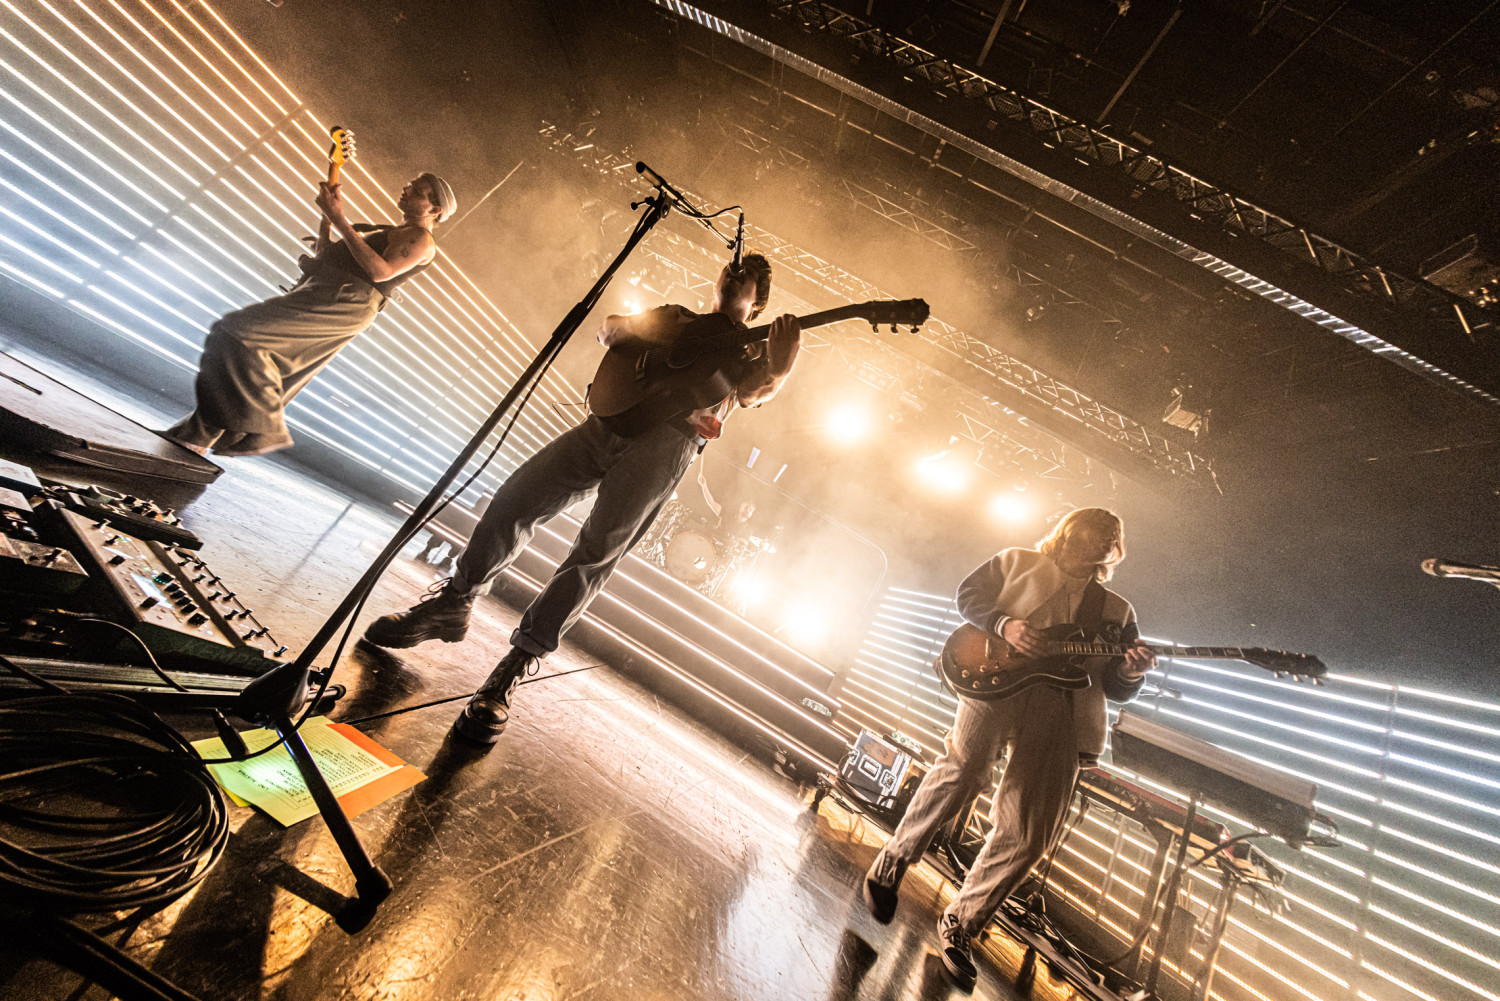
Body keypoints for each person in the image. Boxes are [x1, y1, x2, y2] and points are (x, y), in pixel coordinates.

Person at [363, 254, 801, 743]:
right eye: (733, 265)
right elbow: (614, 330)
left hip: (666, 444)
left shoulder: (749, 349)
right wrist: (620, 330)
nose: (736, 271)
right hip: (605, 424)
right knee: (514, 500)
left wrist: (778, 373)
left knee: (592, 555)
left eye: (750, 277)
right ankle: (453, 601)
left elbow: (752, 392)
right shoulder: (679, 316)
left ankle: (509, 671)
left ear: (758, 302)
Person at [861, 507, 1155, 989]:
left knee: (1032, 828)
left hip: (1061, 707)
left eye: (1110, 538)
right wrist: (1004, 625)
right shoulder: (1018, 561)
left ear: (1114, 549)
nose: (1100, 544)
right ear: (1067, 533)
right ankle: (891, 863)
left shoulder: (1116, 612)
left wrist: (1132, 671)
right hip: (995, 680)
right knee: (965, 770)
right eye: (1091, 533)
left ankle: (963, 925)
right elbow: (968, 596)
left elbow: (1115, 685)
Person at [161, 173, 456, 457]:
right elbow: (327, 254)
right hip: (326, 292)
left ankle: (261, 429)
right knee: (265, 361)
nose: (406, 189)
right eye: (410, 184)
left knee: (238, 334)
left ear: (435, 209)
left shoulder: (421, 239)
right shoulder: (390, 231)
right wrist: (326, 220)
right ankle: (196, 438)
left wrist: (339, 217)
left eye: (416, 190)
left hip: (344, 302)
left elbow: (380, 272)